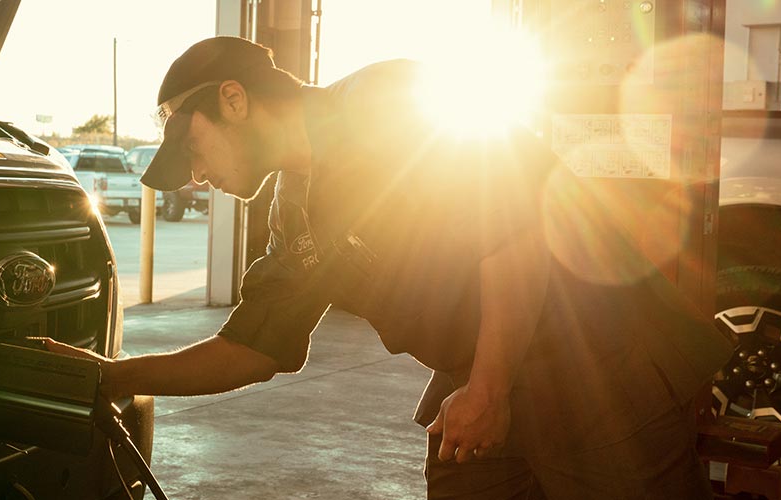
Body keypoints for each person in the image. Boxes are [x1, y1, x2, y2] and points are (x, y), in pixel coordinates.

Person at [42, 37, 733, 499]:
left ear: (233, 98)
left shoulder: (386, 102)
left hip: (603, 361)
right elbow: (251, 351)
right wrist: (107, 377)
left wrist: (488, 388)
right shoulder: (296, 212)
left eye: (191, 150)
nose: (194, 176)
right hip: (488, 376)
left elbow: (517, 232)